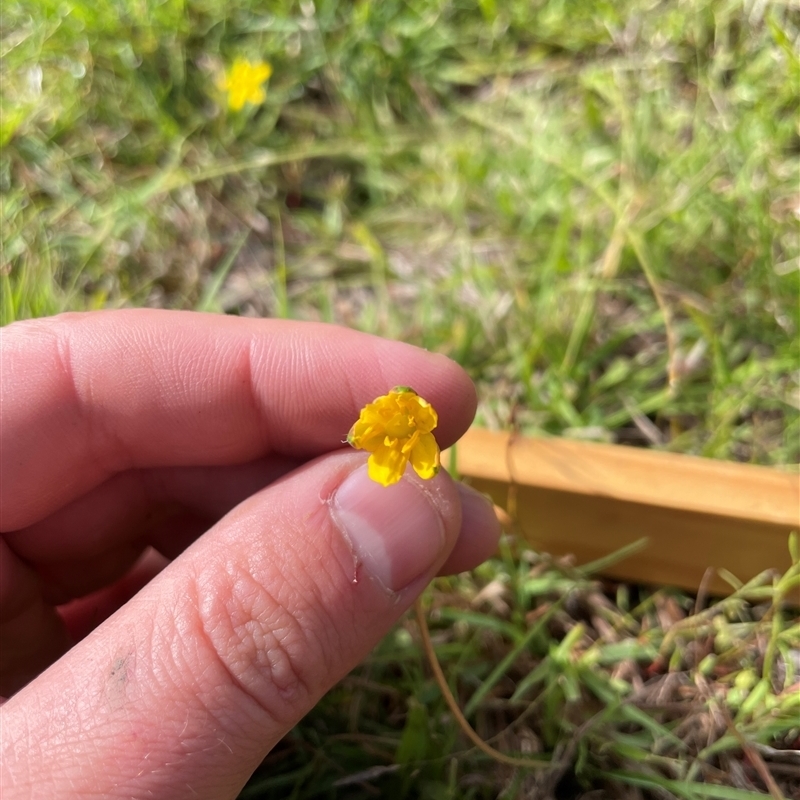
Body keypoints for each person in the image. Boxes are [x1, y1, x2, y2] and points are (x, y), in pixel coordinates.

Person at [0, 310, 500, 799]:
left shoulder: (421, 441)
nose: (404, 427)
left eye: (410, 423)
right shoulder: (383, 437)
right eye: (400, 420)